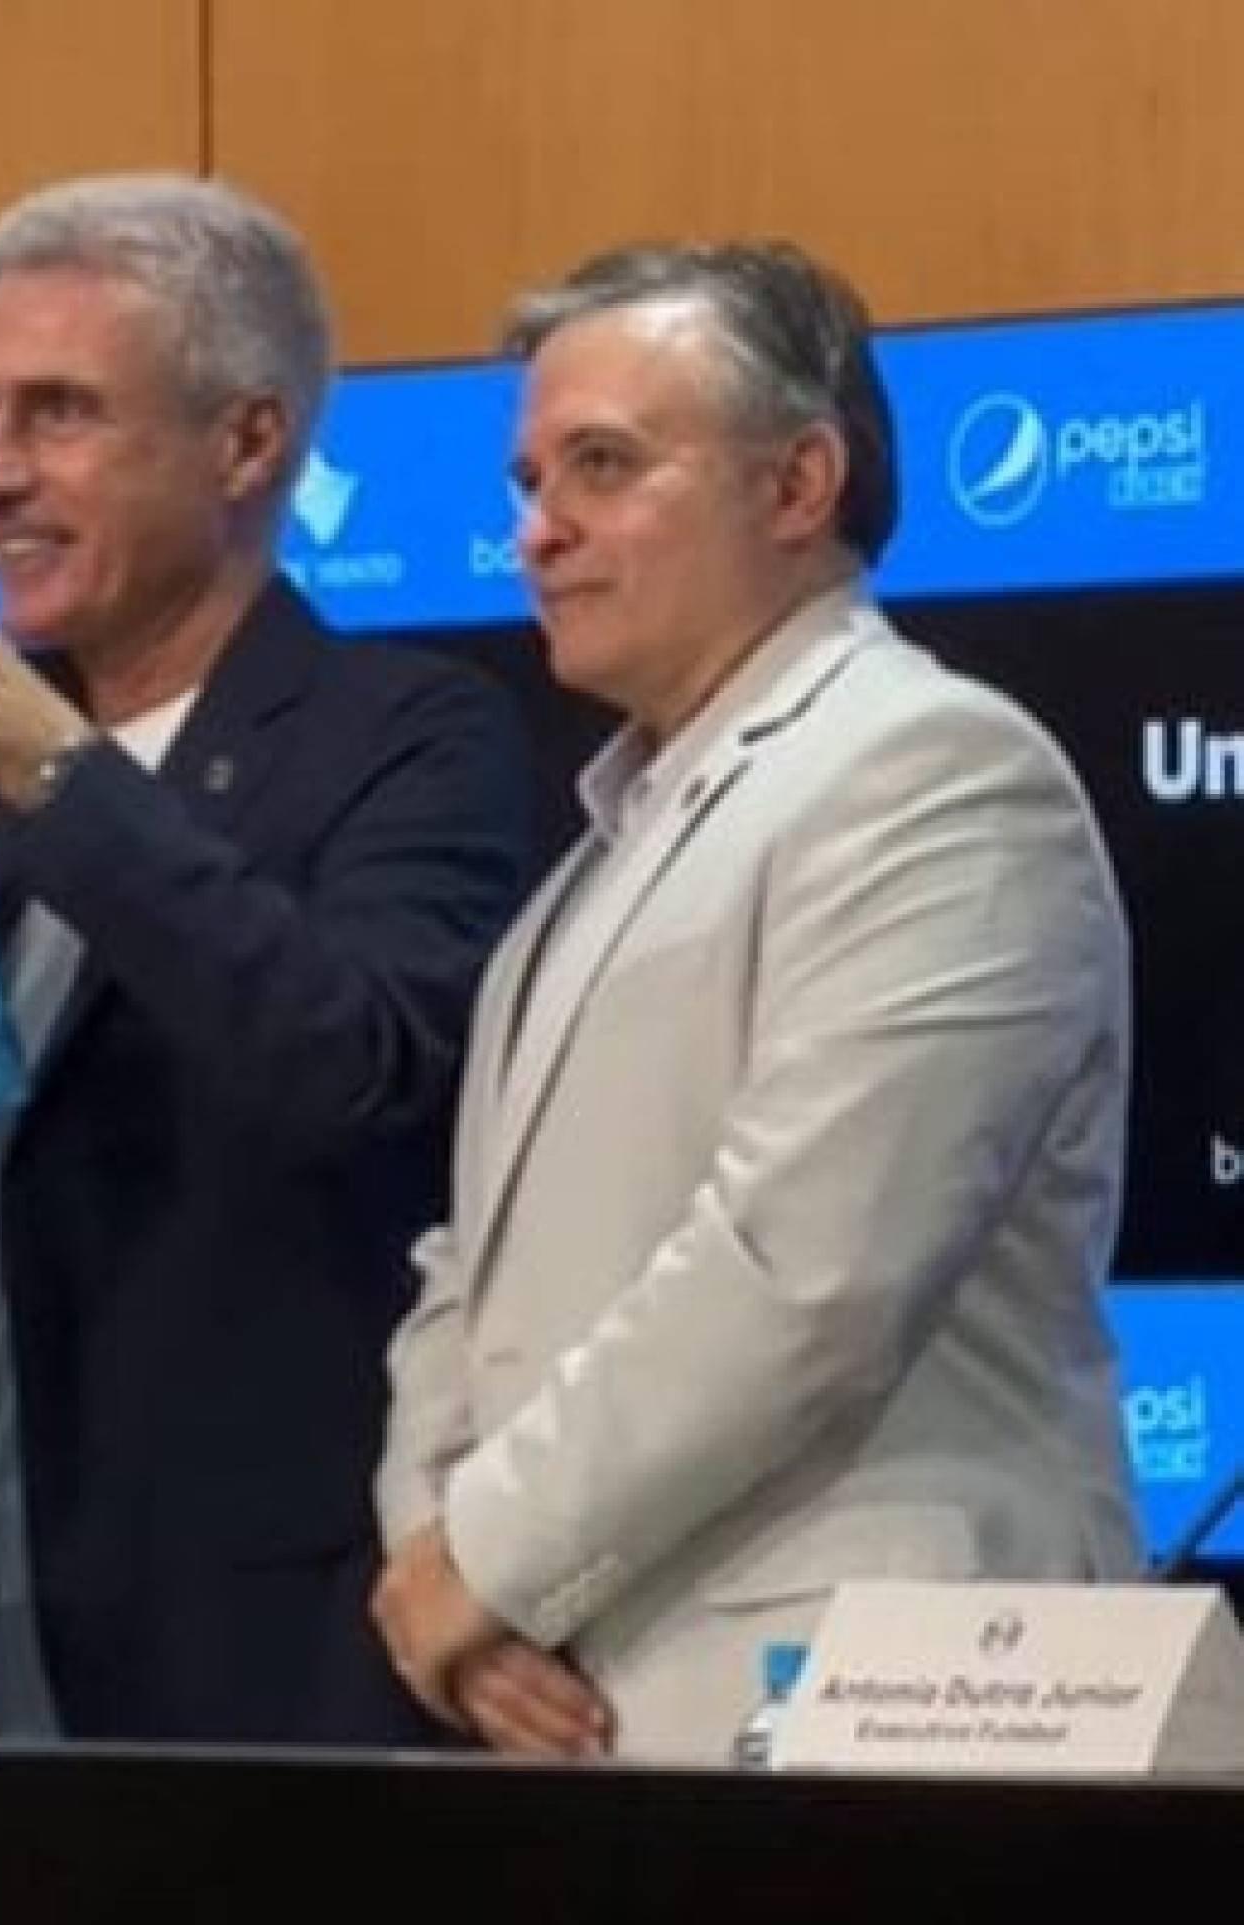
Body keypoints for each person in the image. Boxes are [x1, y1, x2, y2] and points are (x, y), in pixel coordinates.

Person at [367, 240, 1141, 1765]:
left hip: (897, 1714)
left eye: (601, 466)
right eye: (528, 482)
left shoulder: (932, 772)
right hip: (593, 1703)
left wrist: (485, 1563)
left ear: (798, 486)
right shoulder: (581, 875)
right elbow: (470, 1274)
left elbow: (804, 1274)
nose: (538, 533)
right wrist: (435, 1564)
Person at [0, 173, 534, 1744]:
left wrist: (65, 781)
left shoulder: (412, 736)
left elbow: (357, 1062)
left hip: (262, 1661)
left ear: (246, 440)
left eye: (59, 414)